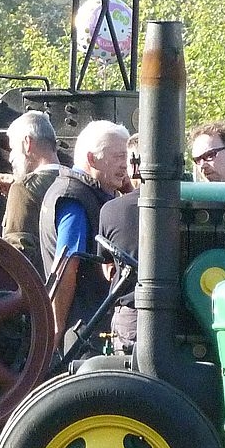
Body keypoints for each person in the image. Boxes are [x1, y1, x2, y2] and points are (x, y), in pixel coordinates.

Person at [39, 120, 130, 349]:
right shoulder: (75, 197)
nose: (125, 164)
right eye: (118, 156)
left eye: (126, 156)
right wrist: (55, 330)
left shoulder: (92, 193)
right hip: (82, 331)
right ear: (92, 159)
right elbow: (68, 263)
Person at [96, 133, 142, 354]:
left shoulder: (112, 209)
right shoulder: (192, 203)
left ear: (134, 166)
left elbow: (108, 269)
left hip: (131, 317)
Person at [0, 110, 63, 261]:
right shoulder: (76, 182)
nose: (11, 157)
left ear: (27, 143)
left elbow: (18, 255)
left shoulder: (23, 189)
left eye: (12, 149)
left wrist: (19, 191)